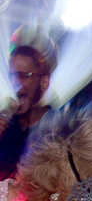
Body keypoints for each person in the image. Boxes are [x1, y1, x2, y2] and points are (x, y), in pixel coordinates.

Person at [0, 29, 58, 180]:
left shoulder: (58, 131)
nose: (14, 83)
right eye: (11, 75)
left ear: (44, 82)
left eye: (23, 75)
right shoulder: (7, 126)